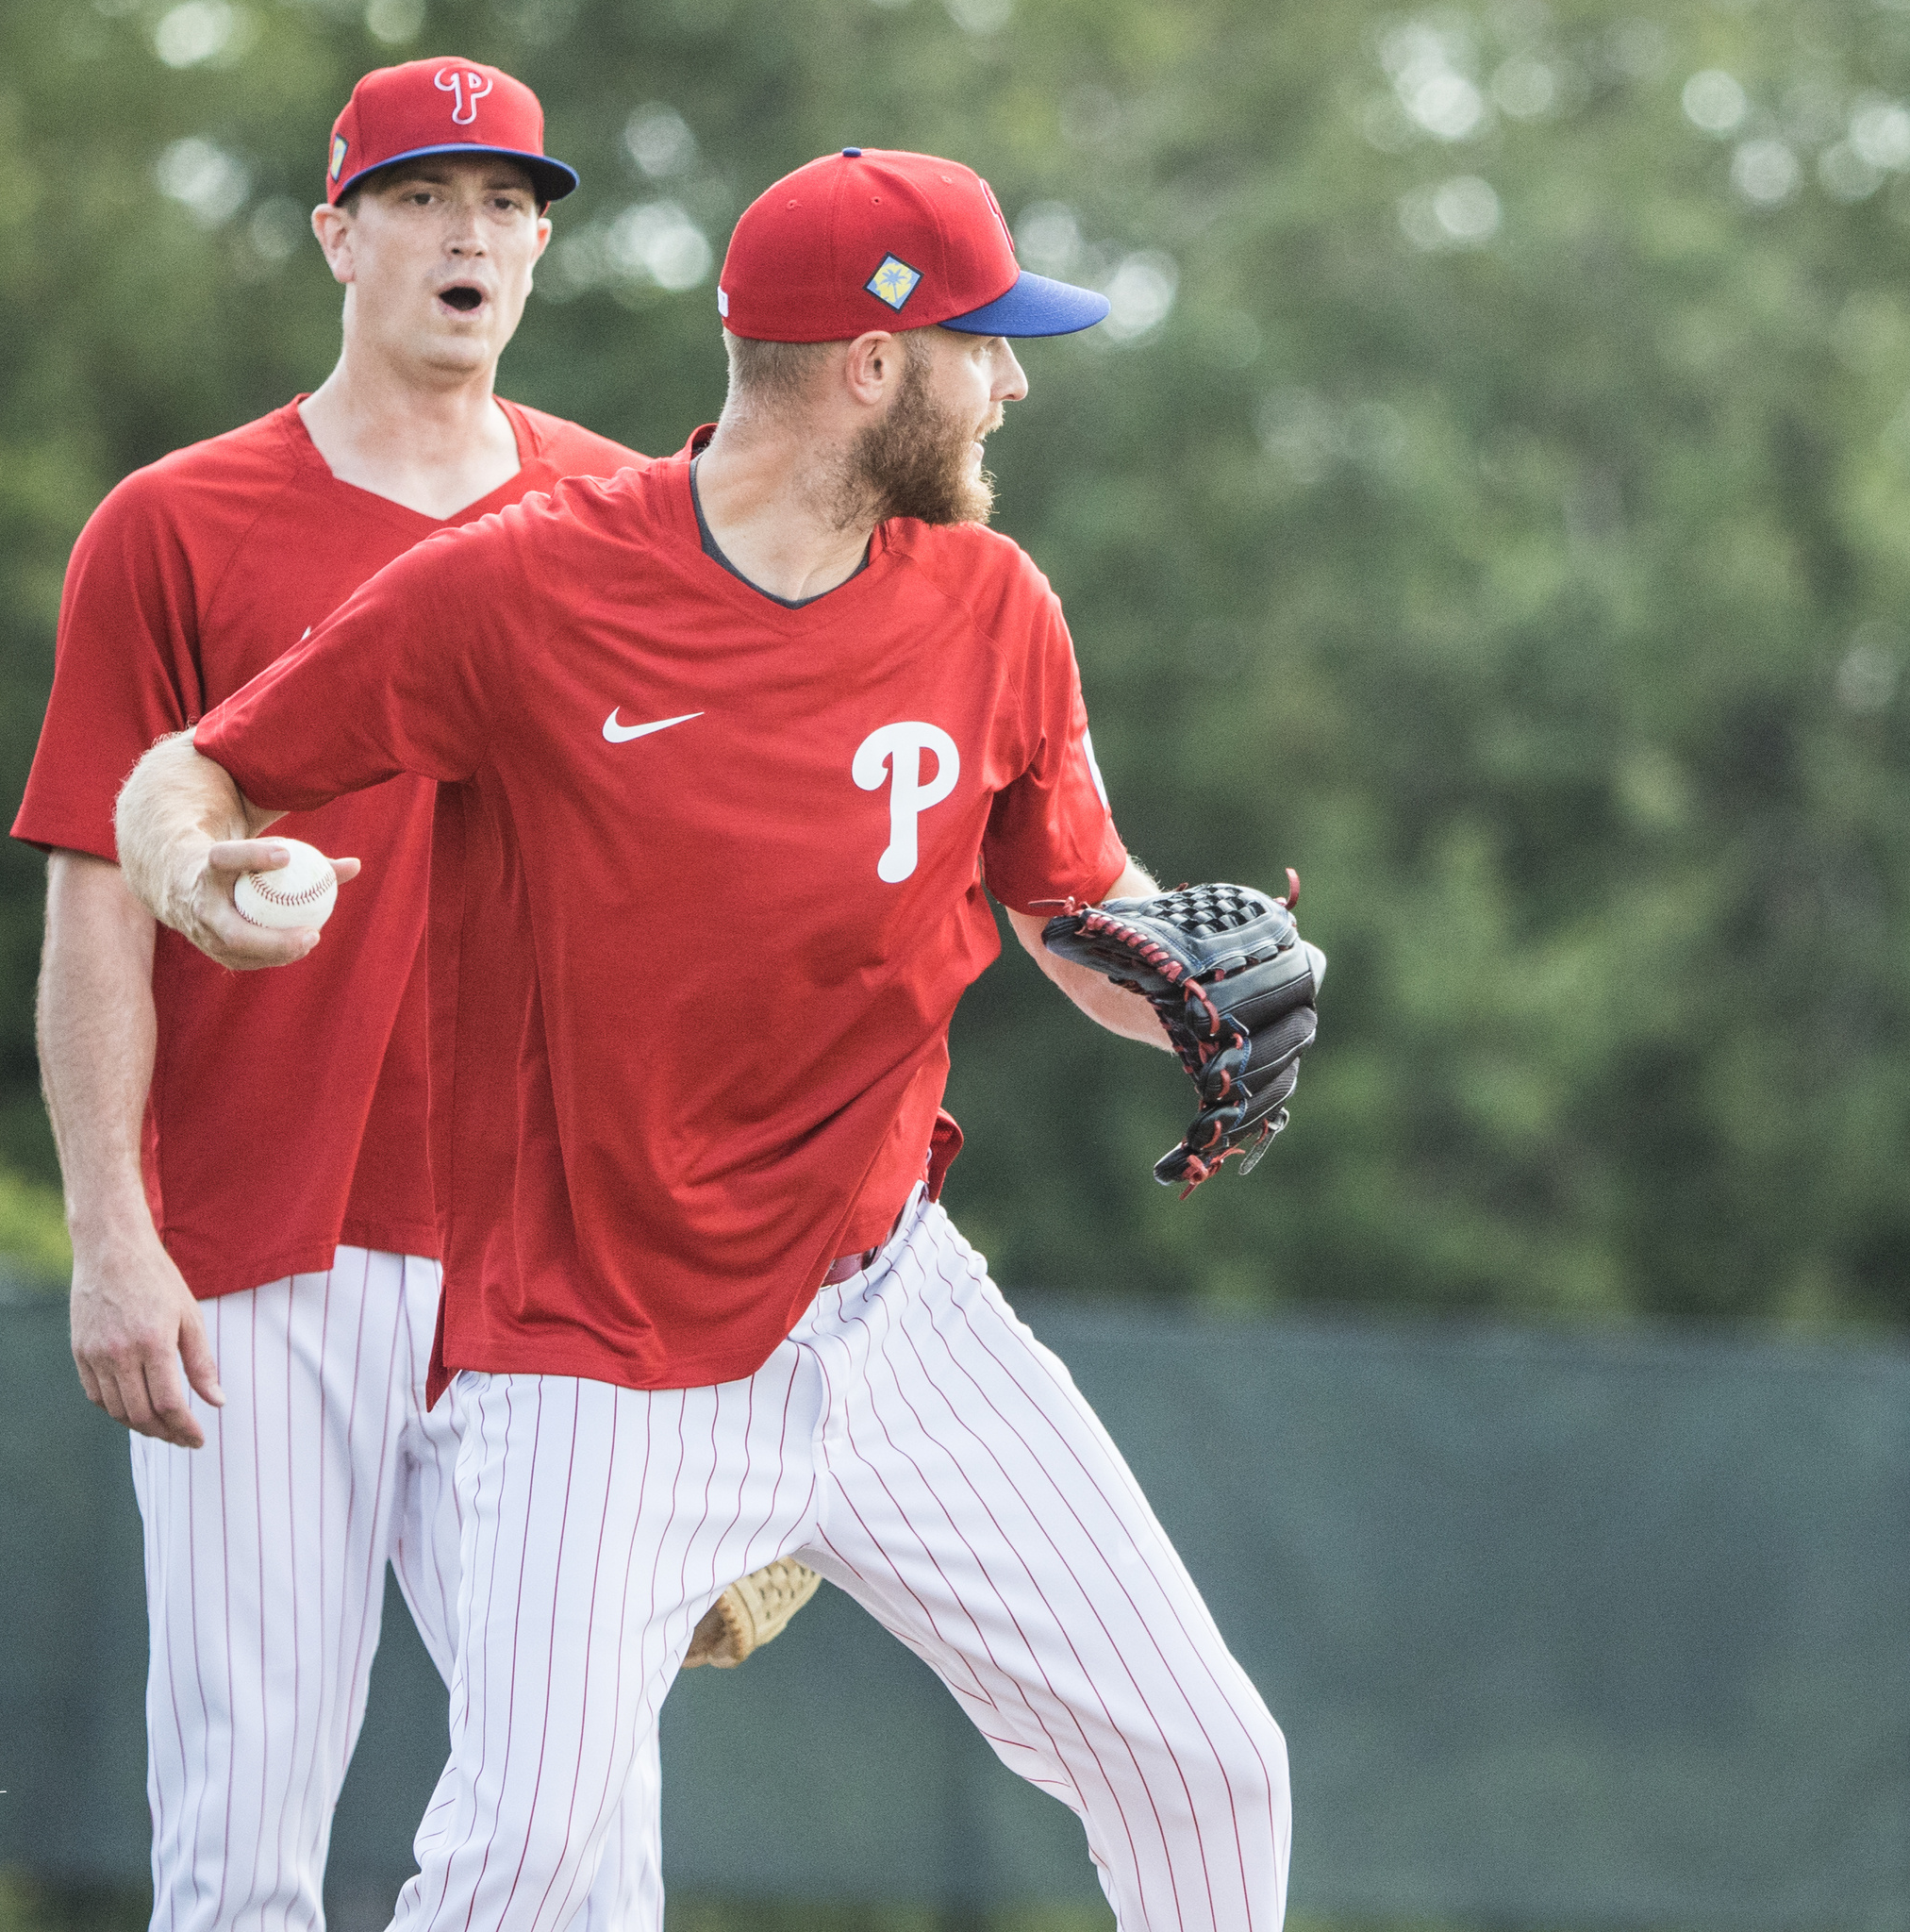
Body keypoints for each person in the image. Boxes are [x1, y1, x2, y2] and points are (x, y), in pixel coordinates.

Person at [113, 147, 1296, 1929]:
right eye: (990, 342)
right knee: (517, 1870)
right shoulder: (525, 589)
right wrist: (200, 881)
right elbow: (191, 771)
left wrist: (1203, 988)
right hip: (596, 1363)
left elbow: (1075, 913)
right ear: (878, 367)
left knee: (1210, 1768)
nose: (1018, 381)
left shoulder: (992, 603)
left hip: (894, 1308)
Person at [14, 57, 673, 1932]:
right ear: (337, 235)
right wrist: (110, 1235)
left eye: (510, 205)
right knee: (241, 1839)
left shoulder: (631, 527)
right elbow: (90, 907)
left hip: (539, 1267)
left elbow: (691, 913)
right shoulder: (175, 524)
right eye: (423, 196)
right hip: (251, 1250)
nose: (474, 233)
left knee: (576, 1838)